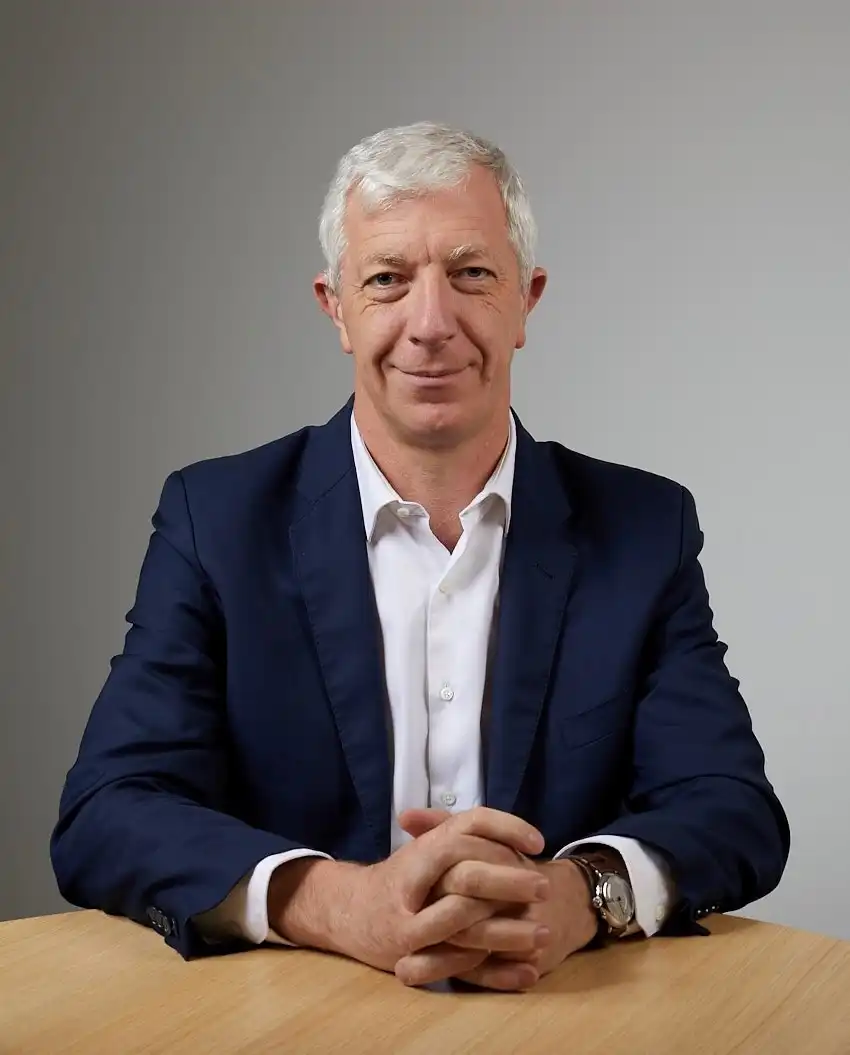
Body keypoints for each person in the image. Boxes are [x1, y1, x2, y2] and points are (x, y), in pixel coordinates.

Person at [51, 122, 789, 993]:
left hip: (560, 1016)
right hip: (295, 1019)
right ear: (335, 307)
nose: (430, 324)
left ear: (527, 301)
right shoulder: (216, 521)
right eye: (387, 280)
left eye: (471, 274)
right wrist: (337, 903)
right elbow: (108, 807)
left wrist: (584, 893)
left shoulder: (644, 528)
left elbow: (731, 806)